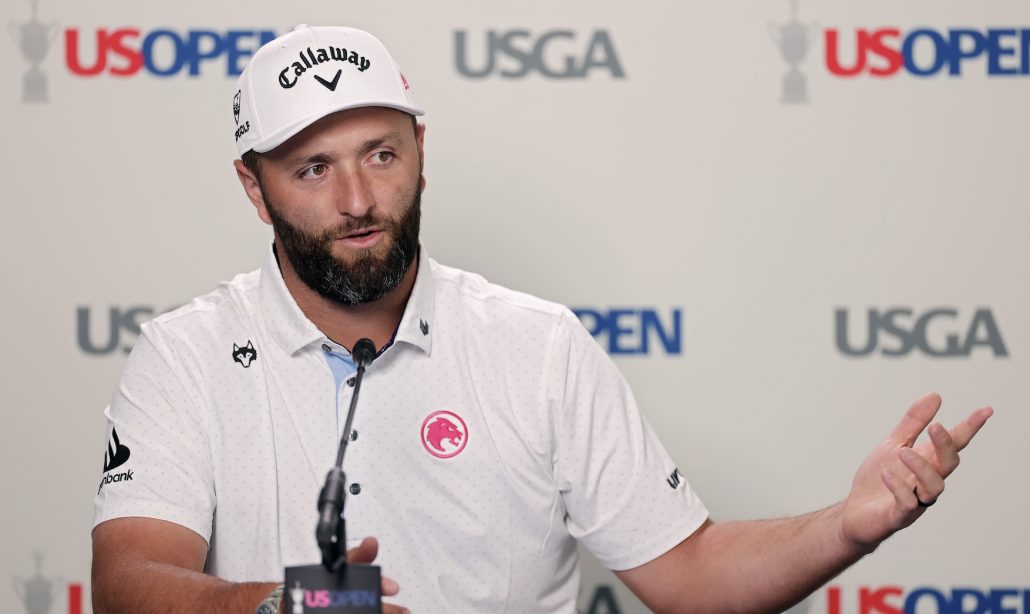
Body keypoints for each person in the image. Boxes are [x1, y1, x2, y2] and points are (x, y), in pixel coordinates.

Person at [90, 25, 992, 614]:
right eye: (313, 169)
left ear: (421, 152)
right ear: (255, 189)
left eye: (381, 154)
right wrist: (281, 606)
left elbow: (690, 574)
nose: (359, 200)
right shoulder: (185, 354)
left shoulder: (538, 345)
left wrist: (848, 525)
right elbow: (129, 582)